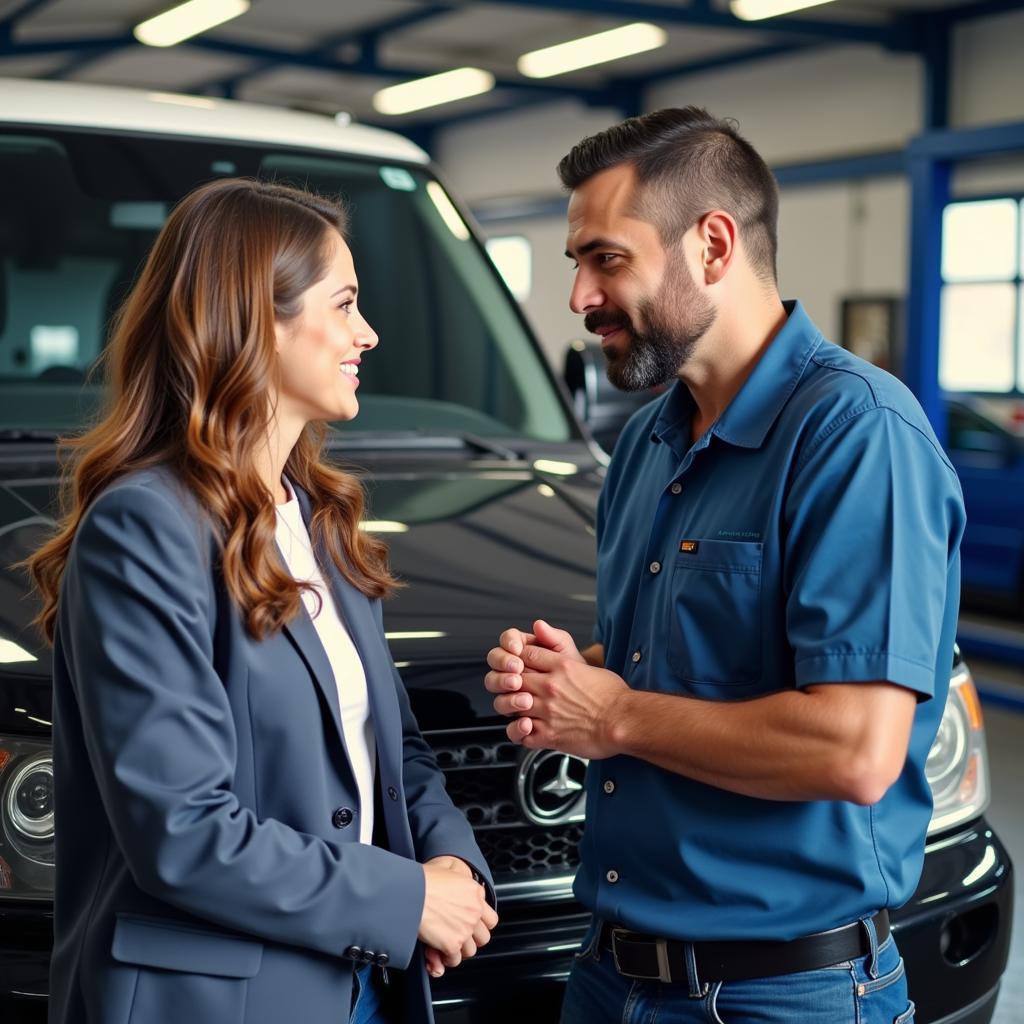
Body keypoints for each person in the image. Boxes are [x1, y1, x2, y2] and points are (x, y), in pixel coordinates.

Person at [485, 108, 964, 1024]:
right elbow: (691, 665)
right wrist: (572, 685)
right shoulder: (645, 449)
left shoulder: (858, 436)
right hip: (611, 976)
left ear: (712, 245)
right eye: (575, 267)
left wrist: (617, 715)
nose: (580, 299)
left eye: (606, 260)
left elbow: (856, 748)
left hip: (782, 996)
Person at [27, 178, 497, 1024]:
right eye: (346, 303)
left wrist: (452, 866)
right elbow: (182, 830)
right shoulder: (145, 527)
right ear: (258, 320)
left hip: (364, 985)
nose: (368, 333)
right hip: (215, 1001)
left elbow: (398, 751)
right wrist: (403, 901)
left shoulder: (318, 517)